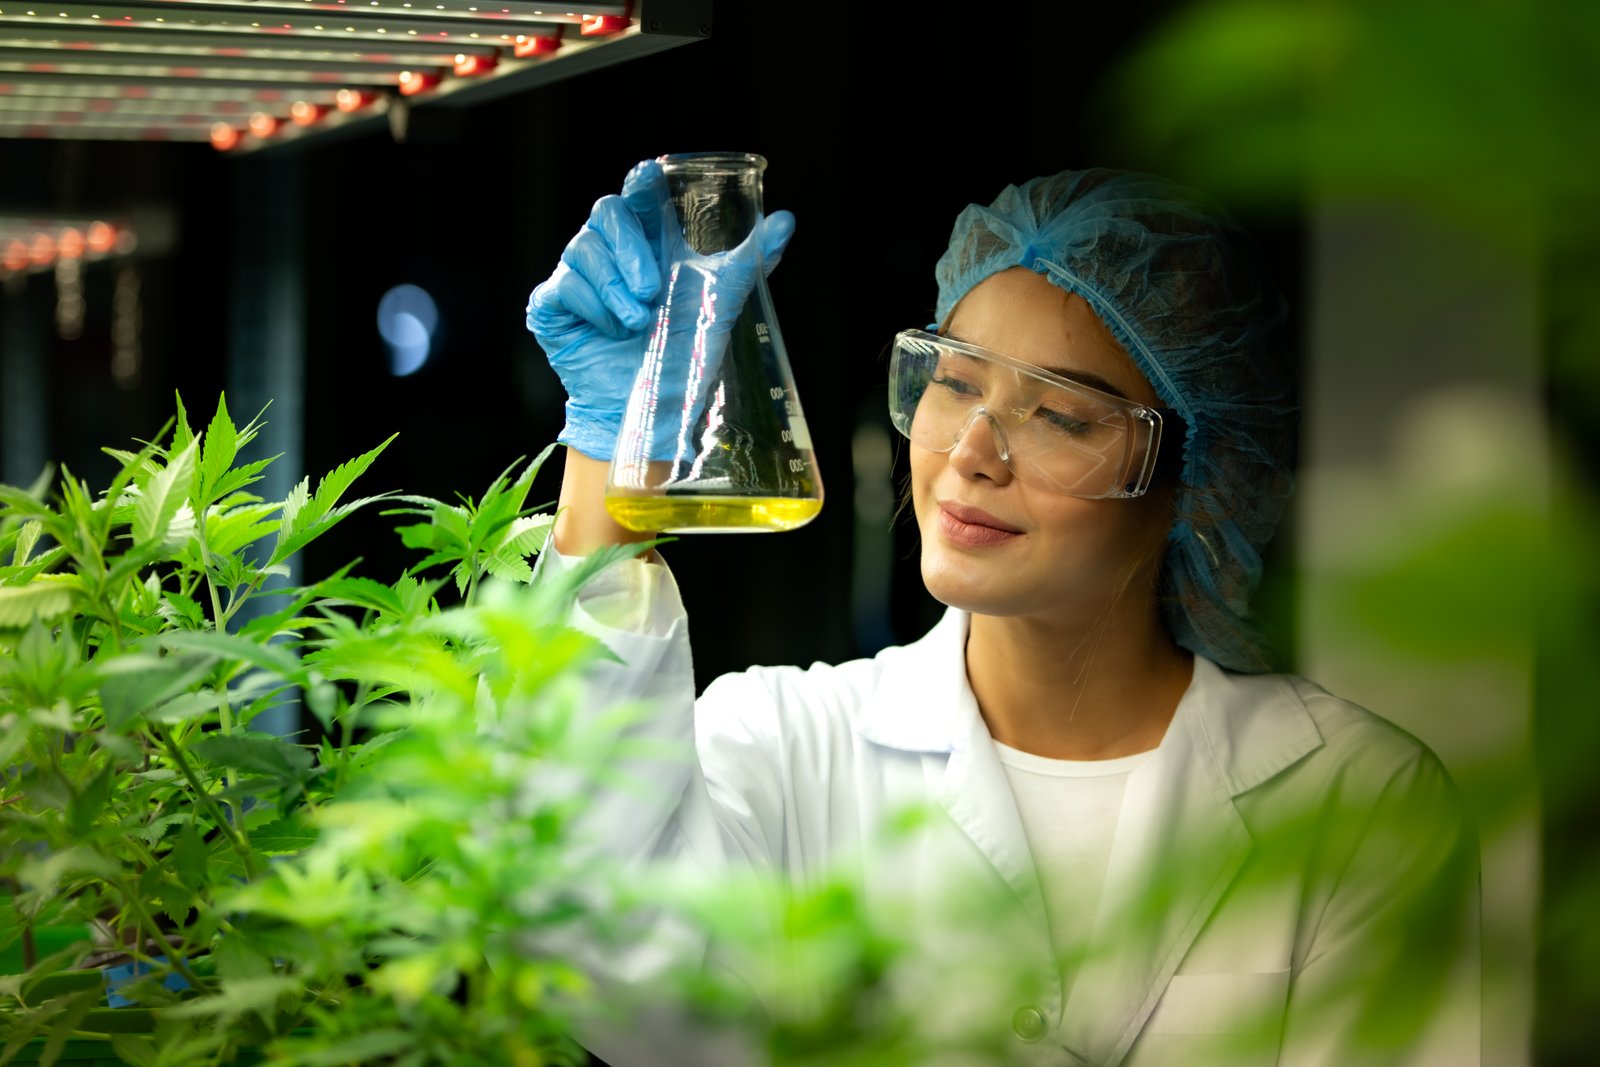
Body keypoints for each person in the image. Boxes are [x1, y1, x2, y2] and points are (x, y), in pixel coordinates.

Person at [525, 161, 1480, 1066]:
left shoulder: (1358, 803)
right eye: (955, 381)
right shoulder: (783, 742)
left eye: (1062, 416)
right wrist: (604, 446)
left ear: (1194, 477)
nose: (974, 452)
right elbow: (584, 932)